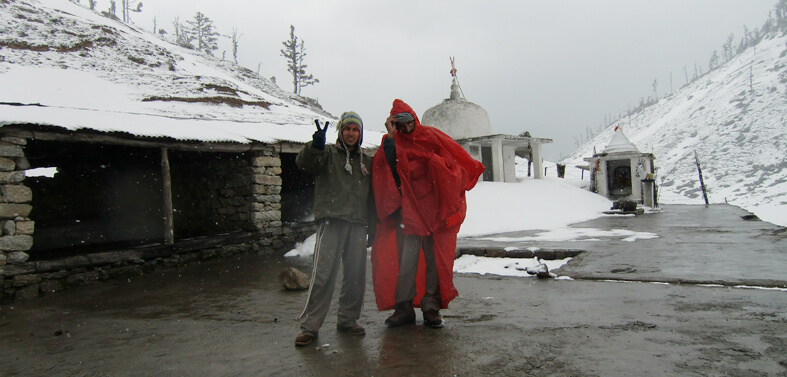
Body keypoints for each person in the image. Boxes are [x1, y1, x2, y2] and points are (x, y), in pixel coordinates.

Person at [371, 99, 484, 329]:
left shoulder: (431, 136)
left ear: (414, 117)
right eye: (398, 122)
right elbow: (389, 170)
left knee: (434, 260)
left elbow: (454, 163)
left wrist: (433, 163)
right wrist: (391, 137)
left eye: (407, 119)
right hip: (409, 213)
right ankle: (403, 308)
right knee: (407, 261)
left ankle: (431, 308)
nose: (405, 126)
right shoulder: (391, 142)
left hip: (434, 211)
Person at [294, 112, 375, 347]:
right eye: (347, 129)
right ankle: (310, 326)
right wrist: (315, 146)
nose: (351, 133)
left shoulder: (365, 161)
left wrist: (374, 225)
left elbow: (373, 195)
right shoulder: (327, 154)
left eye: (355, 129)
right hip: (332, 221)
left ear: (360, 133)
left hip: (358, 223)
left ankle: (348, 320)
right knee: (323, 275)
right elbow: (303, 163)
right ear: (340, 131)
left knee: (355, 275)